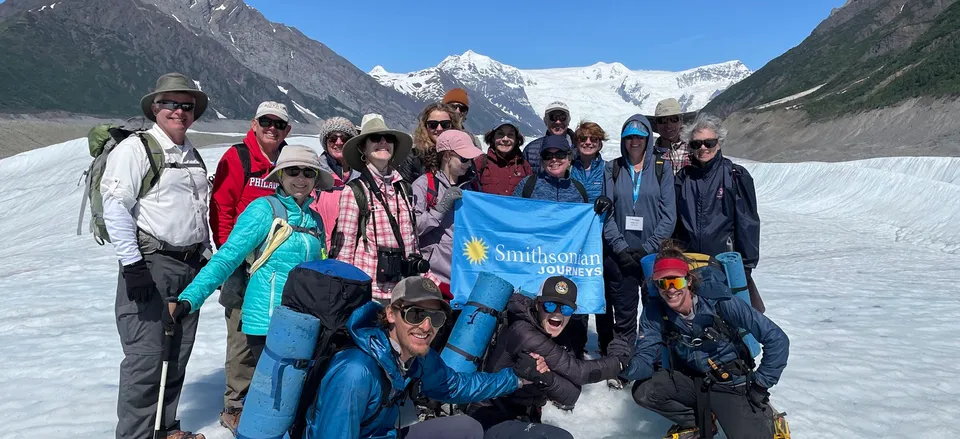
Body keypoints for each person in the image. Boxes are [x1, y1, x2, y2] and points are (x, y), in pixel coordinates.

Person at [304, 276, 551, 439]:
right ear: (391, 314)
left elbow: (455, 386)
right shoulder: (356, 371)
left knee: (467, 428)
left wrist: (516, 378)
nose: (425, 326)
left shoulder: (417, 356)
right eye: (415, 314)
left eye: (435, 318)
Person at [101, 72, 211, 439]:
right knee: (147, 359)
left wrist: (205, 251)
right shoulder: (136, 149)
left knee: (177, 353)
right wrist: (133, 267)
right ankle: (135, 434)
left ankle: (164, 428)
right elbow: (116, 206)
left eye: (186, 105)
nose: (178, 111)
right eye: (170, 104)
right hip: (152, 264)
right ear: (154, 107)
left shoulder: (191, 153)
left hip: (190, 265)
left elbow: (197, 209)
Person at [172, 145, 333, 363]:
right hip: (266, 322)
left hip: (303, 322)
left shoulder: (315, 220)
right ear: (281, 176)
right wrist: (190, 299)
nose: (301, 178)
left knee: (296, 392)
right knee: (275, 389)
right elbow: (228, 257)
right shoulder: (263, 210)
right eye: (293, 171)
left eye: (308, 172)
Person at [622, 241, 788, 439]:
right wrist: (620, 366)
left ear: (689, 281)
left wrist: (760, 385)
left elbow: (777, 339)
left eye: (676, 281)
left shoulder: (720, 302)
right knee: (644, 391)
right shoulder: (654, 312)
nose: (670, 289)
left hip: (731, 383)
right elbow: (645, 357)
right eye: (662, 283)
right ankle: (698, 422)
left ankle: (767, 416)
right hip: (691, 380)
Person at [207, 100, 292, 432]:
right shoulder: (239, 157)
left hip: (279, 263)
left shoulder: (289, 160)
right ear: (254, 124)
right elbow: (221, 209)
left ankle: (270, 396)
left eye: (279, 123)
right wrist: (234, 255)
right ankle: (236, 404)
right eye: (266, 121)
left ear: (288, 129)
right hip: (244, 266)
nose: (272, 128)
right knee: (242, 332)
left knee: (276, 331)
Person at [466, 276, 633, 438]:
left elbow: (571, 395)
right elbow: (580, 372)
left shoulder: (555, 334)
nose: (557, 314)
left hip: (524, 419)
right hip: (489, 418)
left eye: (566, 309)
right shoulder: (524, 333)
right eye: (550, 305)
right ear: (538, 305)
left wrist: (547, 378)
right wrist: (618, 362)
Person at [514, 135, 611, 359]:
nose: (554, 160)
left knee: (570, 318)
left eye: (560, 155)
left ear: (569, 159)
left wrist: (604, 209)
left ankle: (572, 360)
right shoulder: (527, 186)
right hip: (534, 265)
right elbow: (511, 221)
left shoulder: (578, 189)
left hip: (568, 267)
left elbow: (588, 229)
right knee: (535, 316)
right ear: (541, 159)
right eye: (548, 155)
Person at [599, 115, 676, 389]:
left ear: (648, 140)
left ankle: (654, 363)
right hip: (620, 256)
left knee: (656, 311)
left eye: (640, 137)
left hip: (651, 257)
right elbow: (605, 214)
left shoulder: (661, 168)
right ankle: (620, 363)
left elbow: (669, 216)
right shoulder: (613, 168)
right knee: (625, 314)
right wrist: (620, 248)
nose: (634, 142)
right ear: (623, 140)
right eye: (629, 137)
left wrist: (646, 248)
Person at [334, 115, 431, 303]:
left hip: (404, 290)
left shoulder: (403, 189)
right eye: (376, 138)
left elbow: (411, 241)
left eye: (389, 139)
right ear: (363, 147)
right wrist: (347, 293)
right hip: (371, 293)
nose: (383, 143)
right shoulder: (354, 191)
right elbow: (344, 252)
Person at [673, 114, 763, 312]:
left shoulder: (735, 176)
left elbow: (747, 223)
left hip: (725, 265)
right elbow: (676, 224)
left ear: (719, 143)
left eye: (709, 142)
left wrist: (745, 268)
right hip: (691, 265)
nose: (703, 148)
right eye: (696, 144)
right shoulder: (683, 178)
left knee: (731, 319)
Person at [412, 130, 483, 299]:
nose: (468, 163)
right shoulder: (424, 185)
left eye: (470, 159)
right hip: (433, 276)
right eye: (464, 158)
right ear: (446, 156)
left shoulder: (471, 186)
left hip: (464, 275)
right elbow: (413, 229)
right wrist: (440, 208)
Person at [311, 116, 360, 249]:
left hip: (356, 252)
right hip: (322, 250)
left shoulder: (363, 177)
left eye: (344, 138)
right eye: (332, 138)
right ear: (325, 143)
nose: (338, 142)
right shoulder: (313, 175)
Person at [398, 102, 464, 183]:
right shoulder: (414, 157)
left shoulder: (463, 156)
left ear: (452, 126)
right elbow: (405, 189)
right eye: (433, 125)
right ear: (425, 127)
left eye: (445, 124)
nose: (439, 129)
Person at [474, 121, 531, 196]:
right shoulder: (481, 163)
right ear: (492, 138)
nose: (505, 139)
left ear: (516, 140)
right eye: (500, 134)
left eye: (510, 135)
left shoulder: (524, 165)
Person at [523, 101, 577, 175]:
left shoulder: (580, 149)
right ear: (545, 121)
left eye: (563, 118)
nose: (558, 122)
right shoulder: (530, 150)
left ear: (569, 120)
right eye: (553, 117)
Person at [649, 98, 690, 175]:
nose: (668, 125)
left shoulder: (693, 150)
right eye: (662, 120)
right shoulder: (649, 156)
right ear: (656, 124)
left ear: (681, 121)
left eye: (674, 119)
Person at [570, 121, 607, 202]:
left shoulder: (608, 169)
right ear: (576, 142)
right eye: (583, 139)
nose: (588, 142)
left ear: (600, 143)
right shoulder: (568, 168)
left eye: (593, 139)